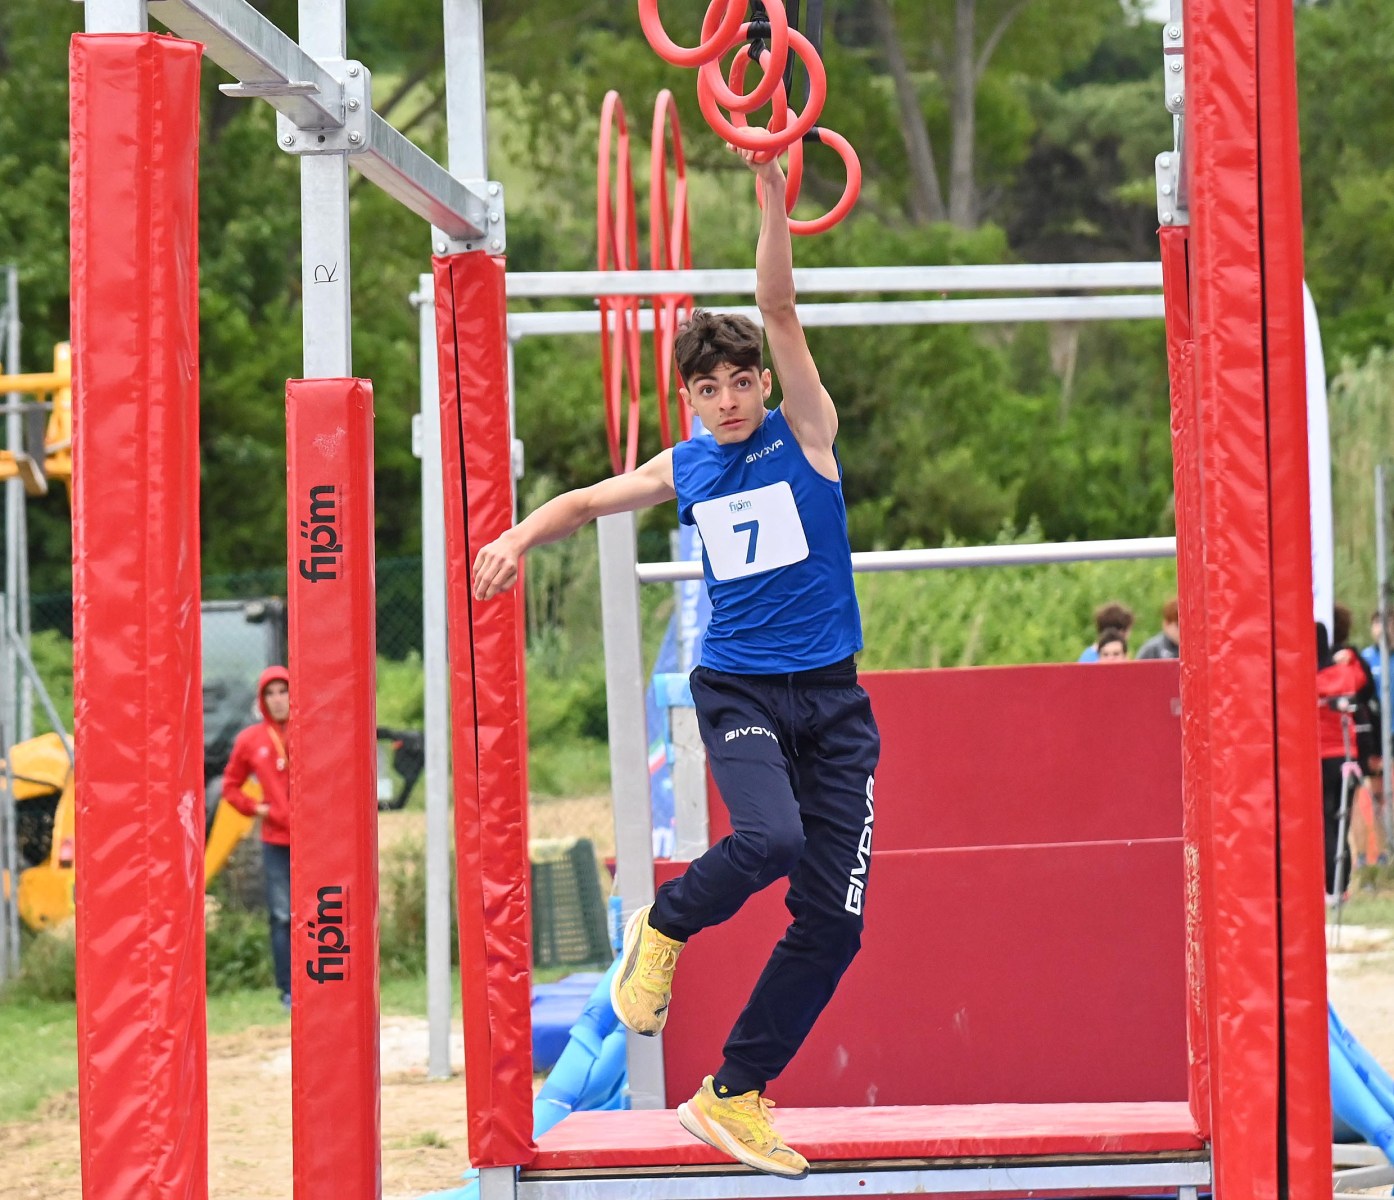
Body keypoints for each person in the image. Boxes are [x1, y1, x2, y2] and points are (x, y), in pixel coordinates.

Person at [471, 149, 877, 1180]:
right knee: (770, 837)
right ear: (689, 398)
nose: (730, 398)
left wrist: (770, 192)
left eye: (741, 381)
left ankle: (732, 1093)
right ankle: (662, 925)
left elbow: (777, 307)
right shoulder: (687, 465)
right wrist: (517, 536)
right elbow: (583, 502)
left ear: (763, 384)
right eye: (709, 387)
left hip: (833, 703)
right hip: (738, 688)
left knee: (833, 925)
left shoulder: (807, 436)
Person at [222, 666, 292, 1006]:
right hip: (276, 840)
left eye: (284, 691)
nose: (278, 700)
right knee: (282, 915)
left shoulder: (309, 730)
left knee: (320, 910)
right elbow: (230, 787)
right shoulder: (251, 740)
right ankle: (288, 990)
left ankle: (320, 983)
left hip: (314, 842)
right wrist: (258, 808)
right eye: (270, 693)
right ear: (262, 700)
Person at [1316, 609, 1377, 906]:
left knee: (1324, 821)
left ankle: (1328, 884)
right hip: (1346, 756)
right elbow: (1364, 680)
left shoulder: (1308, 679)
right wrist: (1350, 656)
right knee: (1343, 819)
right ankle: (1341, 886)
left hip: (1318, 757)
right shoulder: (1344, 674)